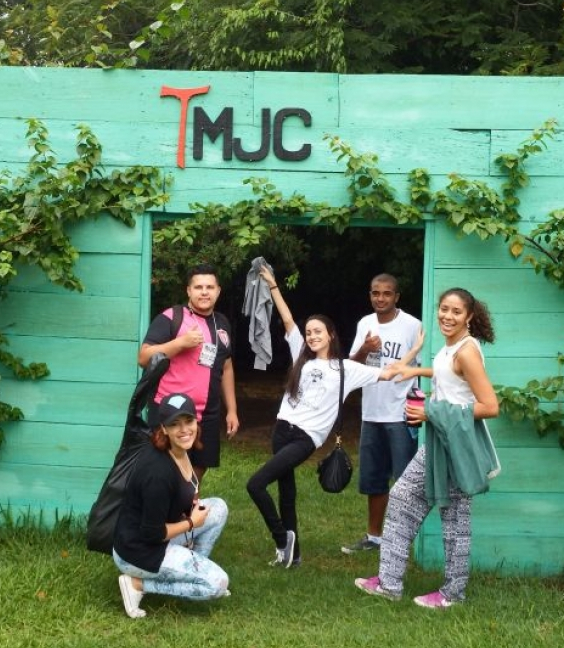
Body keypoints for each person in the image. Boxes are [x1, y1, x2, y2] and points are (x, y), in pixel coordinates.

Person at [246, 267, 418, 568]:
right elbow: (287, 319)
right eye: (309, 332)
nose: (312, 336)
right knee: (287, 492)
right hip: (281, 430)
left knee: (255, 484)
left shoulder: (346, 369)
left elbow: (389, 373)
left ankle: (282, 539)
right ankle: (293, 556)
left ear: (331, 335)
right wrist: (273, 286)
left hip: (304, 438)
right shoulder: (301, 354)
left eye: (318, 332)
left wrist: (416, 349)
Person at [354, 287, 499, 609]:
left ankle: (452, 594)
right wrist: (416, 371)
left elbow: (490, 406)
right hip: (439, 440)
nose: (447, 316)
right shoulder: (452, 346)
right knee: (402, 497)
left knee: (455, 520)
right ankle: (389, 582)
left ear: (469, 316)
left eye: (456, 312)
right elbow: (451, 375)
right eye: (444, 309)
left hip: (458, 447)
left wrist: (430, 411)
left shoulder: (467, 351)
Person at [113, 392, 230, 619]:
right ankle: (137, 584)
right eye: (175, 424)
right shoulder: (157, 473)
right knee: (218, 583)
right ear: (164, 429)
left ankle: (194, 572)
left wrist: (190, 509)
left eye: (188, 421)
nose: (184, 429)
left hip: (157, 536)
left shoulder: (178, 449)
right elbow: (152, 533)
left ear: (196, 421)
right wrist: (191, 523)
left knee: (218, 508)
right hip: (138, 551)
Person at [342, 273, 422, 554]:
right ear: (370, 295)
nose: (381, 298)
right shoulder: (365, 323)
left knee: (405, 482)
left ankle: (403, 540)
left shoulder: (413, 325)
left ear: (397, 296)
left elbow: (422, 368)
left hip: (401, 414)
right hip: (372, 414)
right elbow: (352, 366)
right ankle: (374, 537)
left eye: (387, 293)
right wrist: (365, 348)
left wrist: (418, 408)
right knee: (374, 480)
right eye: (376, 293)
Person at [139, 264, 239, 488]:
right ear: (188, 290)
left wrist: (232, 410)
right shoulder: (171, 317)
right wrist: (180, 343)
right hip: (171, 411)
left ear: (218, 291)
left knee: (200, 466)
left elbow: (227, 367)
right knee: (165, 468)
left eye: (209, 287)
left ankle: (188, 504)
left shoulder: (222, 323)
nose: (204, 292)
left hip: (208, 413)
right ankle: (167, 506)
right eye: (198, 287)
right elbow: (144, 357)